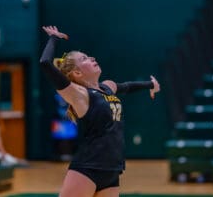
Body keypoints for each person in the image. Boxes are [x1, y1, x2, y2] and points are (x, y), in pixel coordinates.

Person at [40, 25, 160, 197]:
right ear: (77, 73)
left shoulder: (107, 87)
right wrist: (54, 38)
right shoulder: (79, 94)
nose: (92, 58)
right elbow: (45, 63)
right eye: (85, 59)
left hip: (112, 169)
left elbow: (127, 87)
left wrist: (151, 85)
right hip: (88, 167)